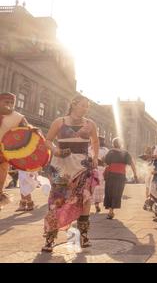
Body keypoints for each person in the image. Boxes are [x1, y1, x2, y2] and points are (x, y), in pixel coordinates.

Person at [42, 95, 100, 252]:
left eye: (87, 106)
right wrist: (56, 150)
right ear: (74, 104)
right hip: (61, 165)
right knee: (57, 200)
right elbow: (47, 140)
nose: (86, 108)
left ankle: (84, 235)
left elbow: (95, 142)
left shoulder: (90, 124)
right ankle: (50, 238)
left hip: (83, 165)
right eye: (83, 105)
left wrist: (95, 157)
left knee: (85, 198)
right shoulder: (60, 121)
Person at [0, 92, 36, 209]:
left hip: (3, 154)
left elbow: (27, 129)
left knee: (1, 178)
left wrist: (33, 130)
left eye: (12, 103)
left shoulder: (18, 117)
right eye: (6, 102)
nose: (9, 105)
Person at [103, 137, 138, 219]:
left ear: (113, 144)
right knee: (117, 193)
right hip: (121, 175)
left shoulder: (110, 152)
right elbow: (132, 164)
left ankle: (110, 211)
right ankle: (112, 210)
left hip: (111, 175)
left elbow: (106, 163)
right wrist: (135, 174)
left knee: (110, 192)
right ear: (121, 144)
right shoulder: (126, 153)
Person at [91, 136, 109, 213]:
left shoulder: (90, 148)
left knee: (94, 187)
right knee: (99, 187)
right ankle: (97, 204)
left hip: (93, 169)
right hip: (101, 170)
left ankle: (95, 204)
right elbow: (107, 160)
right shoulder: (106, 150)